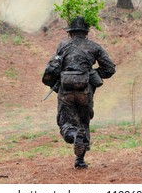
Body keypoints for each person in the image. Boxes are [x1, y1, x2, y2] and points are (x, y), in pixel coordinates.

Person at [44, 16, 115, 169]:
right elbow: (110, 69)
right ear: (86, 32)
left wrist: (58, 84)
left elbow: (52, 69)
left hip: (66, 91)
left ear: (70, 33)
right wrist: (92, 74)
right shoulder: (95, 47)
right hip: (85, 91)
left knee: (66, 123)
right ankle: (80, 161)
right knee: (83, 123)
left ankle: (74, 136)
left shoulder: (63, 46)